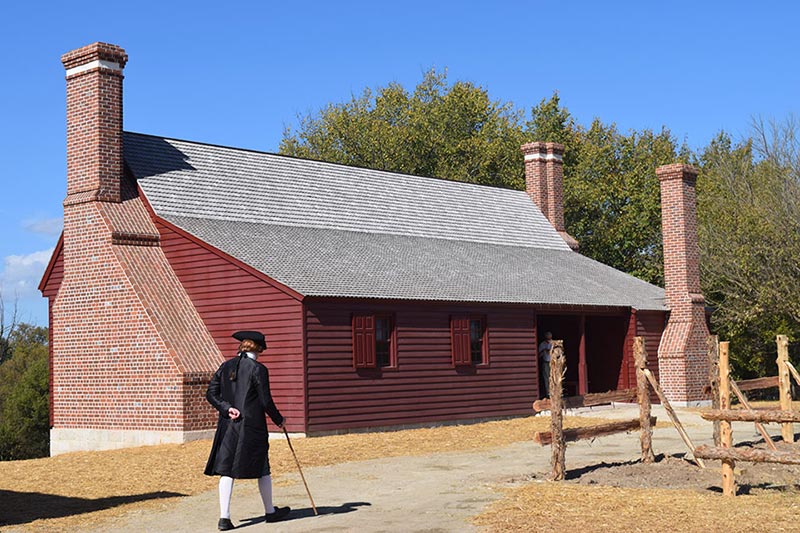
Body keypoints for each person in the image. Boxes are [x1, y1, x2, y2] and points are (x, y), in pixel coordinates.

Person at [205, 330, 291, 531]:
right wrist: (279, 420)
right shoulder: (258, 369)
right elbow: (265, 401)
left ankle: (224, 518)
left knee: (226, 470)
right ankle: (270, 512)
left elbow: (211, 393)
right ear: (258, 349)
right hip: (252, 427)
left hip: (228, 426)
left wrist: (227, 408)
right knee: (262, 467)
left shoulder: (225, 366)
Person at [538, 331, 553, 398]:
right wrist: (544, 351)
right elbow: (538, 355)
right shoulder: (542, 344)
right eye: (547, 335)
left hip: (553, 363)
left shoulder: (554, 343)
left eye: (549, 335)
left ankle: (555, 393)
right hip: (546, 362)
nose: (549, 337)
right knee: (547, 378)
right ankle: (548, 393)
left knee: (554, 378)